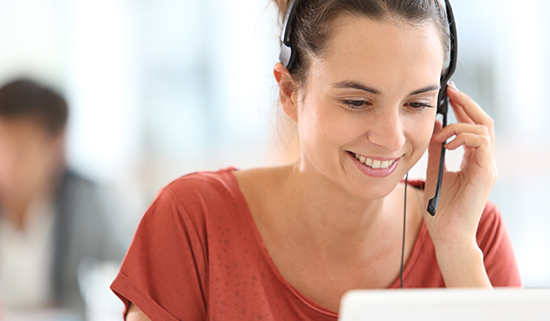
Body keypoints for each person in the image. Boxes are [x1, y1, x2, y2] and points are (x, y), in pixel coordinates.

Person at [111, 0, 521, 320]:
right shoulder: (194, 220)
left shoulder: (473, 234)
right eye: (357, 102)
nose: (392, 137)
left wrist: (454, 249)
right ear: (290, 92)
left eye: (417, 103)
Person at [0, 79, 128, 318]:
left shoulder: (86, 201)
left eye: (20, 151)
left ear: (55, 146)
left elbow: (132, 270)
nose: (7, 166)